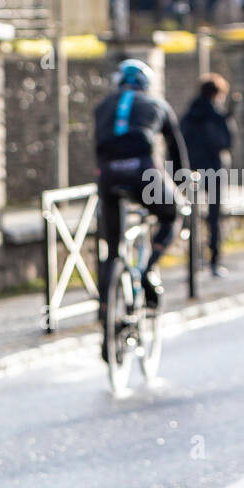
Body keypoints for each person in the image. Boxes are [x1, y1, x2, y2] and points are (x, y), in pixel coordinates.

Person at [92, 59, 190, 342]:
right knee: (172, 214)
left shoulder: (102, 107)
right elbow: (176, 152)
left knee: (112, 250)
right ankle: (147, 270)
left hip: (109, 175)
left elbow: (99, 145)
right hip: (144, 174)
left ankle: (105, 310)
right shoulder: (158, 105)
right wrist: (182, 186)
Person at [179, 73, 238, 276]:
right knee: (213, 217)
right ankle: (214, 261)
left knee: (192, 214)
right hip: (214, 168)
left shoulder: (189, 114)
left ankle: (194, 259)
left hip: (192, 170)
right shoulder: (219, 115)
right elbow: (227, 142)